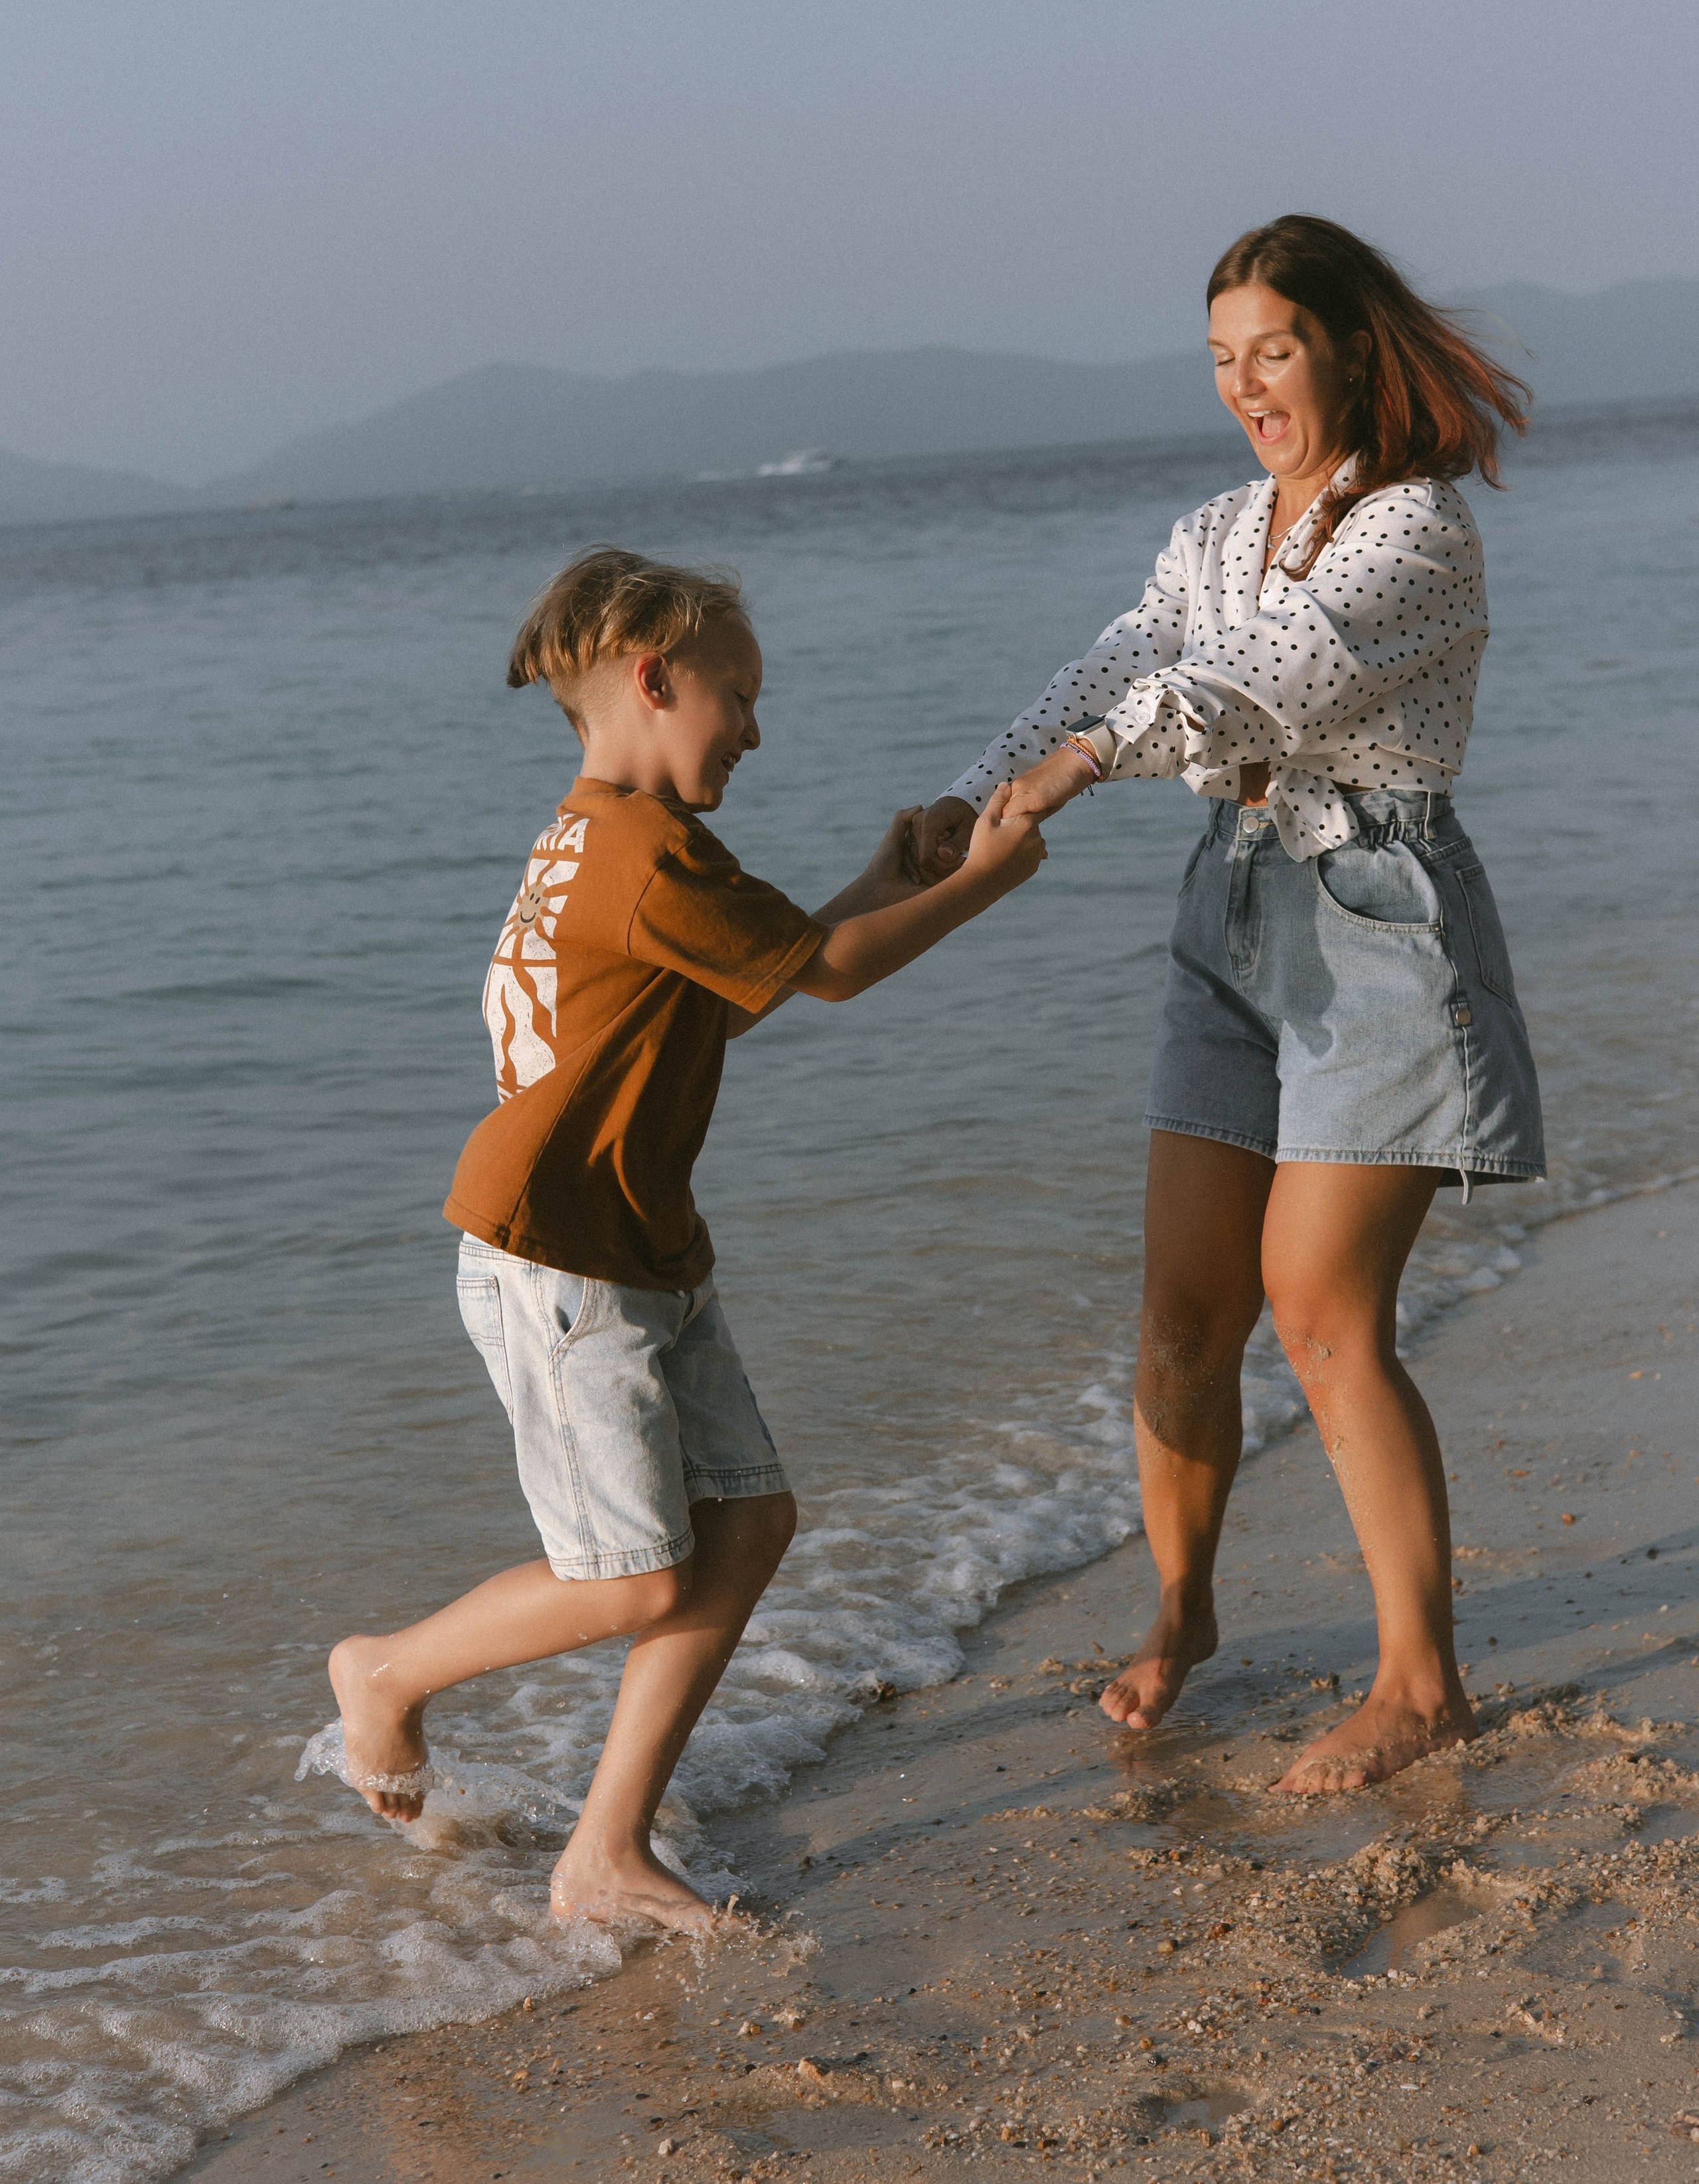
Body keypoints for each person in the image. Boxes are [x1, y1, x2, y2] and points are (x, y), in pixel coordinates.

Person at [328, 547, 1044, 1930]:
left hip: (639, 1248)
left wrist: (877, 874)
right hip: (560, 1261)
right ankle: (387, 1672)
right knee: (634, 1575)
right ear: (657, 679)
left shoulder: (601, 837)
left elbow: (736, 989)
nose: (757, 730)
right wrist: (978, 885)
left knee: (750, 1522)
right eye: (739, 695)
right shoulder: (647, 851)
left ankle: (603, 1851)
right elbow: (824, 975)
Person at [917, 216, 1544, 1793]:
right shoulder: (1210, 531)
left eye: (1271, 347)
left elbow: (1247, 686)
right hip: (1232, 914)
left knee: (1322, 1310)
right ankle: (1182, 1610)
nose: (1244, 384)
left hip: (1379, 923)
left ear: (1345, 343)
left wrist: (1065, 777)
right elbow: (1127, 652)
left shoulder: (1413, 532)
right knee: (1181, 1314)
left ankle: (1420, 1684)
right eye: (1219, 359)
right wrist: (966, 791)